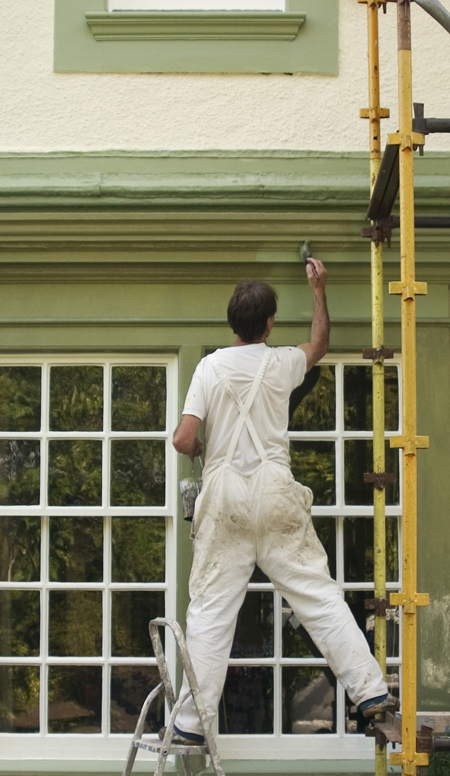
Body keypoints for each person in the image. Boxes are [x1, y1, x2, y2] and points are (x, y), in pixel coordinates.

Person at [169, 257, 396, 745]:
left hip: (225, 493)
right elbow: (318, 344)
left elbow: (183, 439)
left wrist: (210, 449)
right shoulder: (281, 362)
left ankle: (191, 723)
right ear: (269, 324)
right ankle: (371, 691)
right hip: (275, 491)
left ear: (233, 323)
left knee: (210, 609)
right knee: (317, 596)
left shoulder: (210, 368)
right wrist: (318, 290)